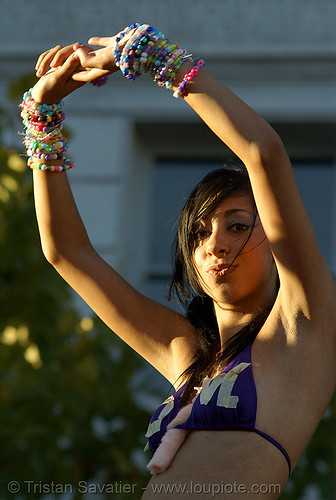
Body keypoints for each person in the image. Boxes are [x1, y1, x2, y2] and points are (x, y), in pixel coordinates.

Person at [23, 24, 336, 499]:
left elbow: (263, 153)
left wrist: (150, 56)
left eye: (237, 225)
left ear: (275, 240)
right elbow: (67, 252)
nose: (216, 245)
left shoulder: (304, 329)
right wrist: (41, 117)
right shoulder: (185, 353)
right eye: (200, 233)